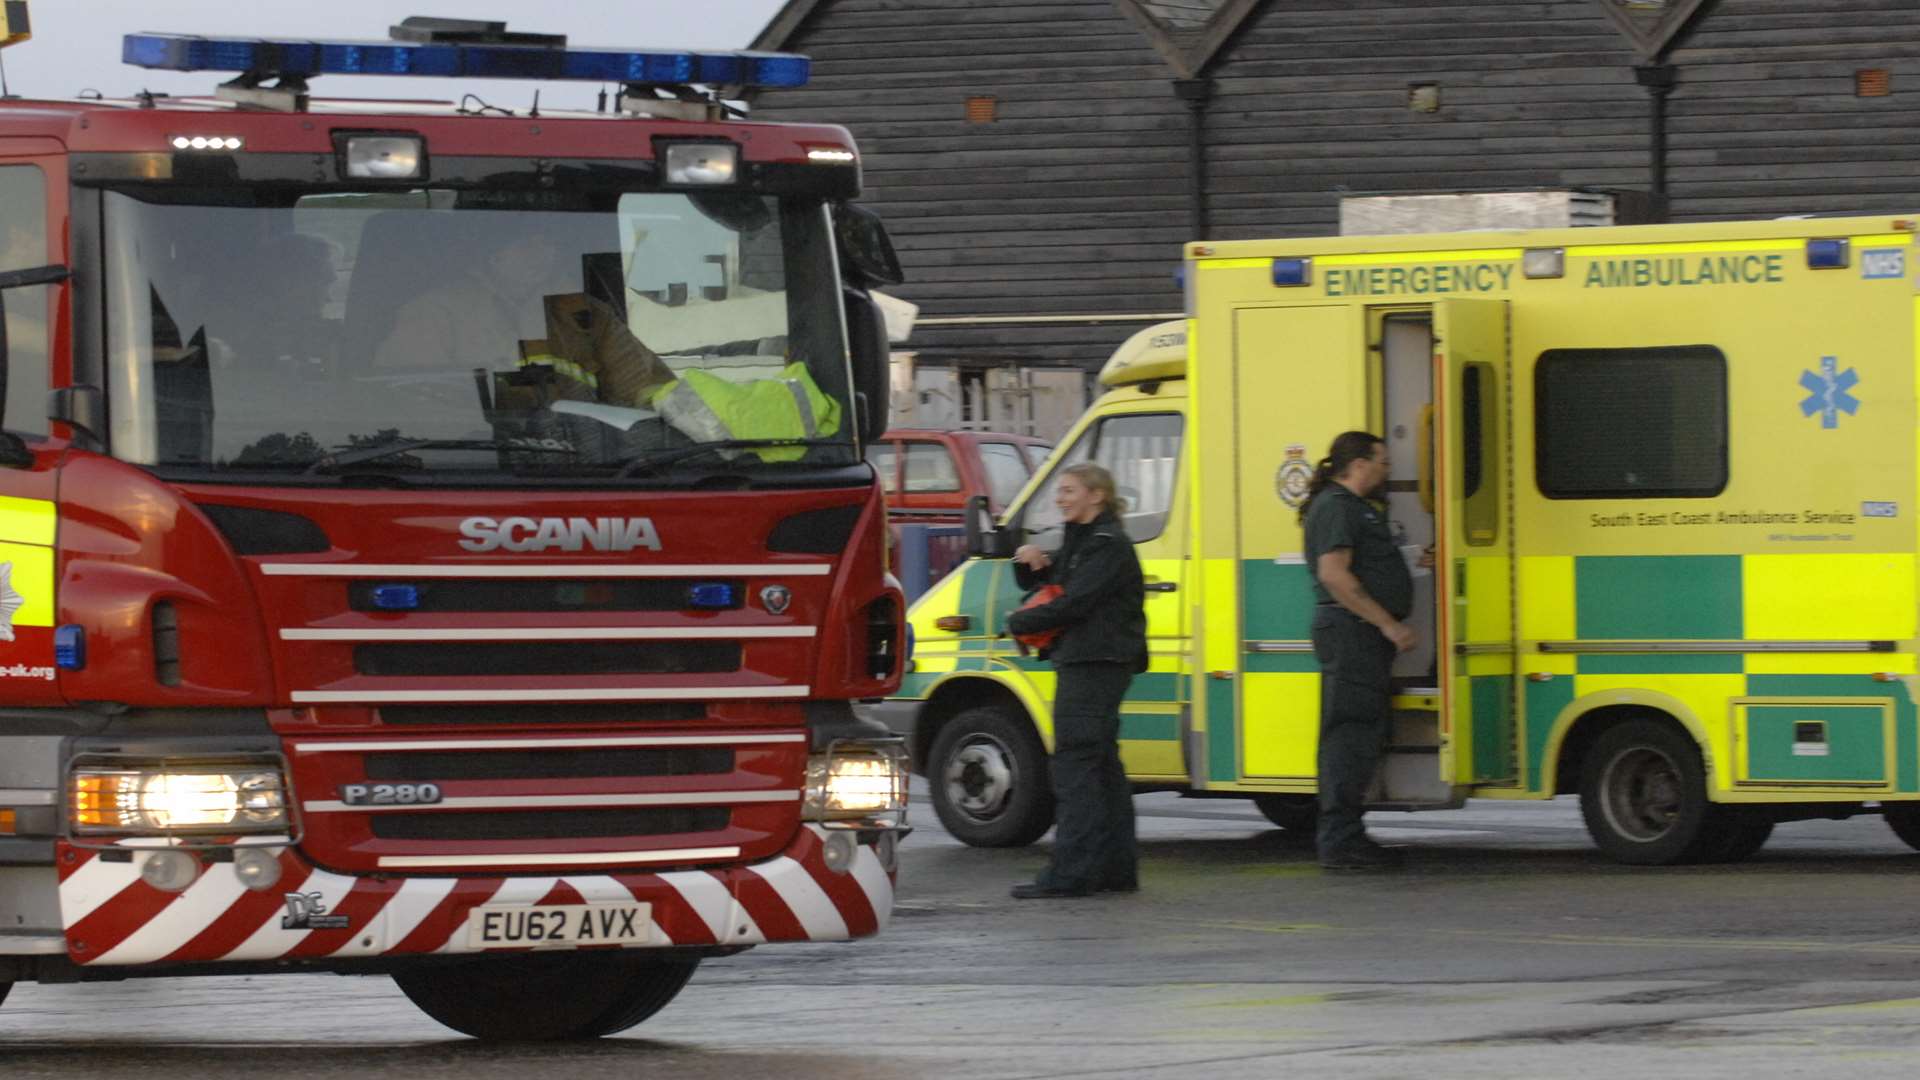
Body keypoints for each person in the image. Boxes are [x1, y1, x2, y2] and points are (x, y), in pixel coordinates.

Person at [1004, 462, 1148, 899]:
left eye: (1069, 491)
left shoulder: (1107, 544)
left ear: (1096, 496)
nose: (1060, 498)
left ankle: (1072, 873)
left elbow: (1076, 602)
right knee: (1101, 767)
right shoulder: (1088, 541)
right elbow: (1065, 582)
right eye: (1060, 491)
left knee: (1075, 765)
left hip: (1094, 662)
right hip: (1095, 660)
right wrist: (1036, 567)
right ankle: (1114, 869)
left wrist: (1019, 620)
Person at [1300, 431, 1418, 870]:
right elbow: (1335, 575)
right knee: (1348, 738)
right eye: (1382, 461)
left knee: (1359, 734)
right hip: (1352, 634)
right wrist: (1387, 623)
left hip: (1356, 635)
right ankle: (1341, 842)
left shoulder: (1353, 509)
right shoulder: (1336, 507)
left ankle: (1348, 837)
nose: (1388, 470)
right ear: (1360, 463)